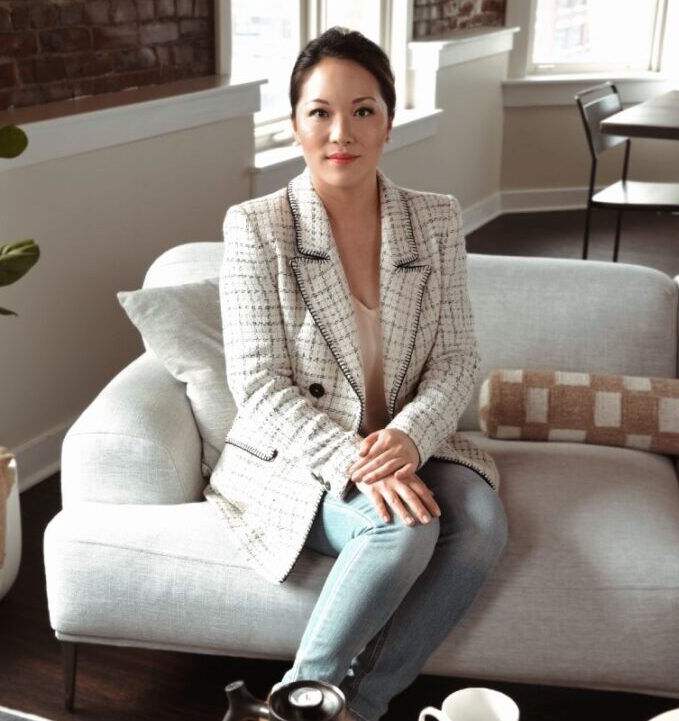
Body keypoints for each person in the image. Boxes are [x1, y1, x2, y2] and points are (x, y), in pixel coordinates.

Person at [207, 26, 508, 721]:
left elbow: (457, 358)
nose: (340, 131)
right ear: (294, 123)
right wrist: (359, 461)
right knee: (400, 527)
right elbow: (256, 385)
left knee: (481, 520)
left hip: (408, 442)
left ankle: (353, 708)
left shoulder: (433, 220)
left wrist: (407, 437)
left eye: (363, 109)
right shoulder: (257, 226)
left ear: (389, 123)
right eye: (319, 111)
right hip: (303, 459)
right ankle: (295, 705)